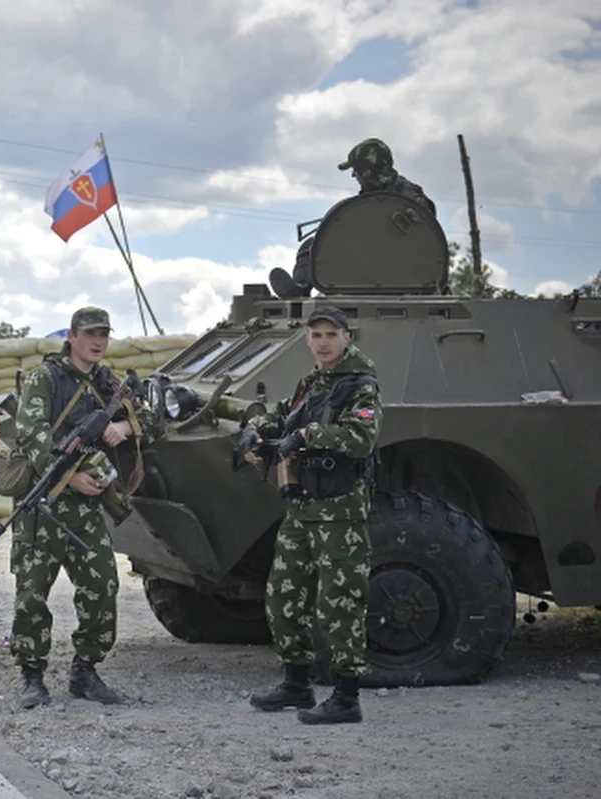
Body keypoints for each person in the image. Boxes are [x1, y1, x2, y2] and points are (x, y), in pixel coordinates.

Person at [9, 306, 156, 709]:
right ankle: (33, 676)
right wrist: (69, 477)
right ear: (71, 336)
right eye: (90, 333)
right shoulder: (46, 378)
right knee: (32, 593)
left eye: (104, 334)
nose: (98, 341)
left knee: (102, 587)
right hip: (45, 505)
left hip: (87, 510)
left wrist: (124, 427)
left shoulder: (109, 383)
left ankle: (86, 670)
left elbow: (152, 417)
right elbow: (32, 433)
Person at [243, 306, 382, 724]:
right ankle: (297, 683)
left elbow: (361, 438)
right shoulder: (311, 384)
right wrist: (257, 429)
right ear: (307, 340)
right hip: (302, 509)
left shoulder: (361, 386)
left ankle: (346, 697)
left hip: (340, 509)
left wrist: (306, 435)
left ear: (347, 338)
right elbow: (281, 414)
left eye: (331, 335)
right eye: (316, 335)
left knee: (339, 603)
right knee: (284, 597)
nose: (323, 342)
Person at [271, 137, 437, 299]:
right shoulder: (378, 194)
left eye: (356, 170)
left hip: (393, 266)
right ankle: (299, 290)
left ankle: (301, 287)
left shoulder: (408, 197)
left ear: (367, 172)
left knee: (312, 246)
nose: (353, 175)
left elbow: (423, 234)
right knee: (312, 245)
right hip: (376, 263)